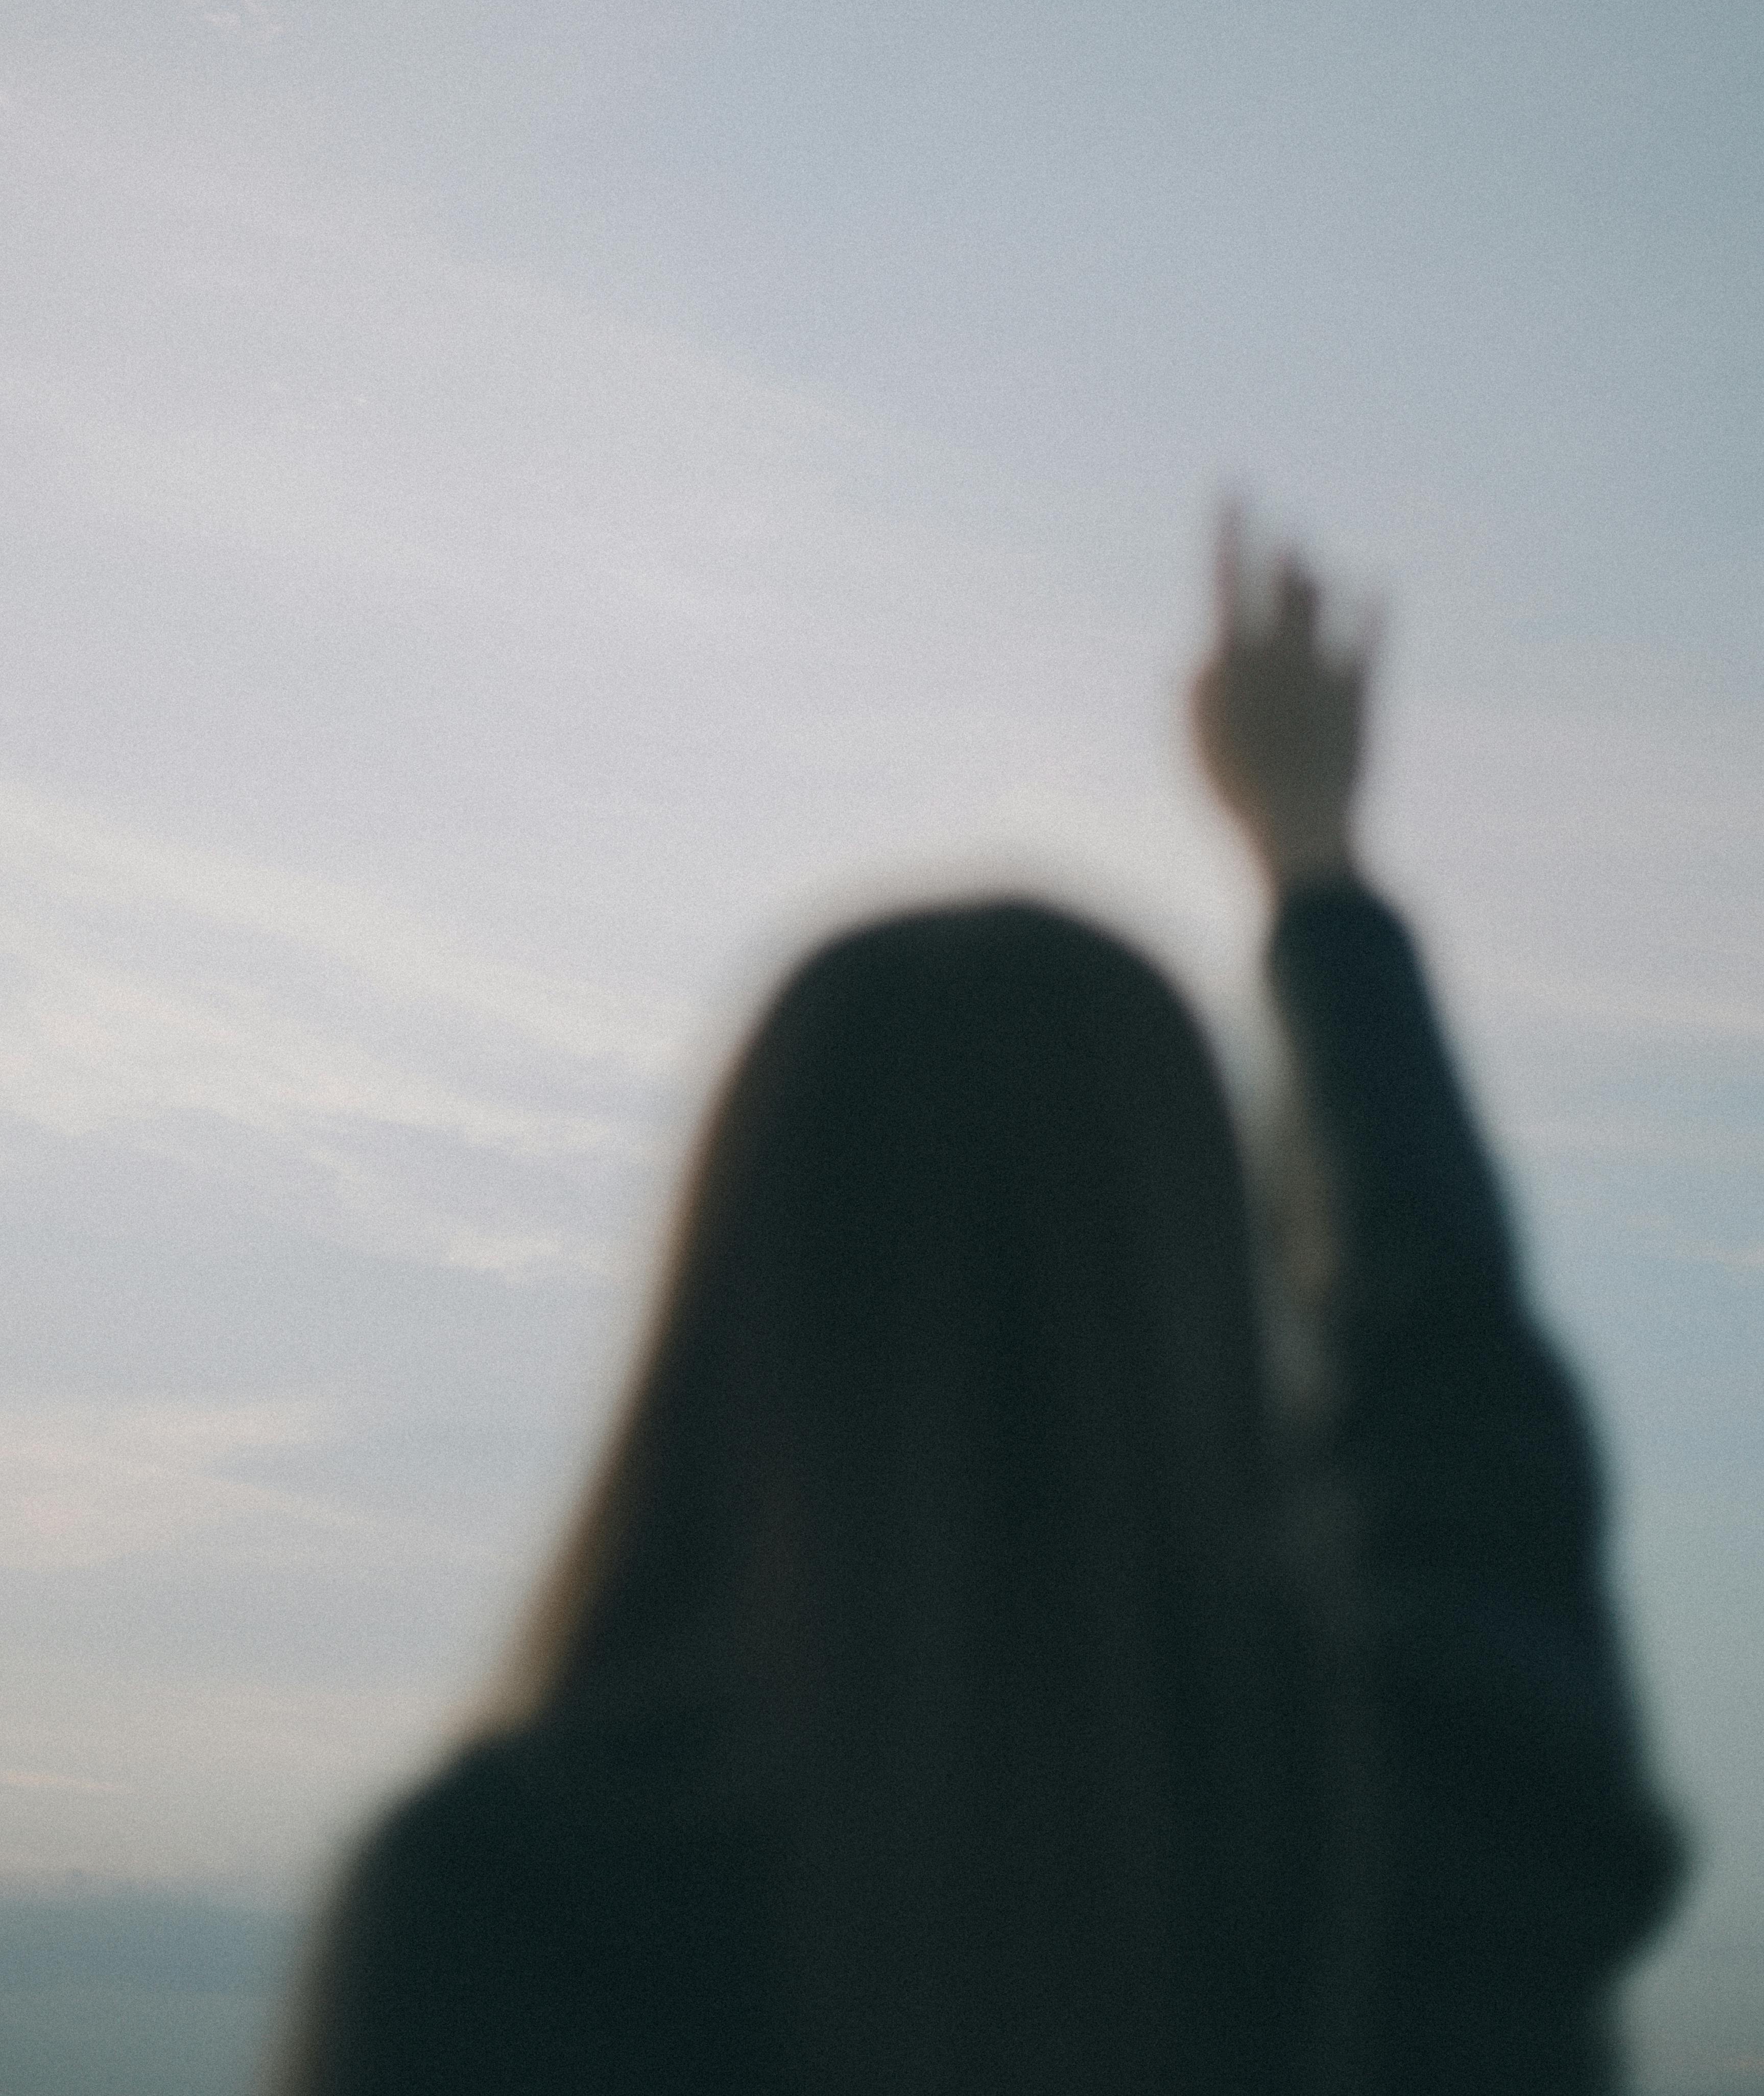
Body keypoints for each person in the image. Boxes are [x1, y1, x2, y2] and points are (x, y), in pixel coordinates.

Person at [274, 523, 1681, 2096]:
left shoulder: (507, 1915)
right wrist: (1312, 855)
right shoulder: (1413, 1847)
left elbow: (1460, 1417)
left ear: (732, 1310)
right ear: (1203, 1296)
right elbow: (1454, 1391)